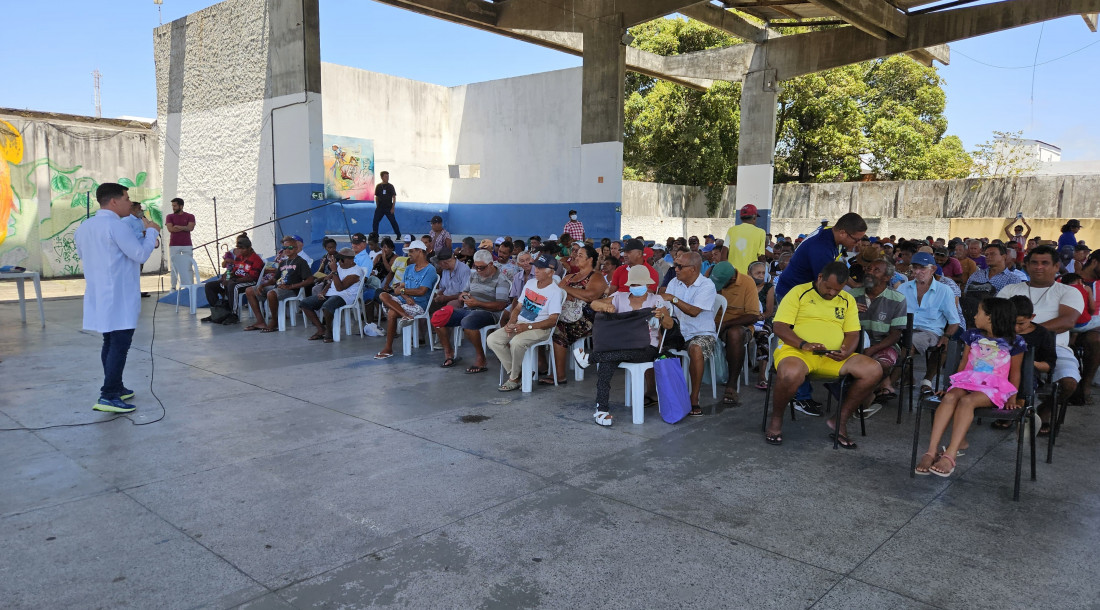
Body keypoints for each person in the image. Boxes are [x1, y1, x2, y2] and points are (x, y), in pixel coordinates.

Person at [764, 261, 882, 448]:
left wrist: (846, 351)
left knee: (873, 370)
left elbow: (852, 334)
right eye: (829, 288)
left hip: (832, 356)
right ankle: (776, 419)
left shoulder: (847, 300)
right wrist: (804, 344)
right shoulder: (798, 293)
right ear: (820, 277)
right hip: (797, 352)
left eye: (838, 289)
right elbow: (779, 326)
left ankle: (840, 420)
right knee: (790, 373)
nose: (832, 293)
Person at [914, 298, 1025, 477]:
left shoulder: (1015, 341)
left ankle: (950, 454)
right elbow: (964, 362)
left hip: (994, 388)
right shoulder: (972, 335)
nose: (974, 316)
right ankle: (931, 451)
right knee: (950, 398)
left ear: (990, 317)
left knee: (967, 401)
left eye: (979, 312)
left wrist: (1012, 397)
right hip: (968, 380)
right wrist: (951, 386)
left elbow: (1016, 372)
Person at [73, 183, 160, 413]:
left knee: (110, 342)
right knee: (120, 344)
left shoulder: (85, 227)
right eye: (126, 198)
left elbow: (91, 255)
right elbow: (140, 254)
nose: (130, 203)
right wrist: (152, 232)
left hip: (100, 294)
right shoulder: (116, 226)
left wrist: (145, 238)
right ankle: (108, 394)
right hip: (119, 295)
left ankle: (116, 386)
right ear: (114, 201)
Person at [775, 212, 868, 416]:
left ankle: (827, 378)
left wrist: (852, 291)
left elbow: (836, 277)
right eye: (856, 239)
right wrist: (848, 300)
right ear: (843, 232)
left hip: (809, 290)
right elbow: (830, 285)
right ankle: (801, 396)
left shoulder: (830, 235)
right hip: (794, 292)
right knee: (801, 341)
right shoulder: (821, 249)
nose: (859, 243)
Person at [997, 245, 1084, 433]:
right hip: (1010, 346)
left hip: (1055, 347)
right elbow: (996, 319)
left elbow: (1067, 321)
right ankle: (1010, 409)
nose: (1039, 267)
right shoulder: (1010, 290)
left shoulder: (1068, 291)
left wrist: (1029, 333)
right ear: (1026, 265)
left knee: (1069, 382)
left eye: (1045, 263)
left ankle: (1045, 410)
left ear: (1056, 266)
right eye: (1034, 263)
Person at [587, 266, 674, 426]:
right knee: (606, 364)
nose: (636, 287)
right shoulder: (619, 297)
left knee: (608, 358)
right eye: (633, 285)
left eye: (639, 284)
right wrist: (605, 307)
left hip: (647, 347)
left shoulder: (656, 301)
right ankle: (601, 410)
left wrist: (662, 316)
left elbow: (669, 325)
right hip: (620, 345)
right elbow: (594, 303)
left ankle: (591, 358)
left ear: (647, 285)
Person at [488, 255, 564, 391]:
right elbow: (518, 307)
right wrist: (511, 322)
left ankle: (514, 378)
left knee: (516, 342)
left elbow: (552, 321)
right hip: (520, 323)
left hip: (540, 328)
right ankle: (521, 374)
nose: (536, 270)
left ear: (551, 272)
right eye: (536, 267)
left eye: (541, 268)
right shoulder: (530, 283)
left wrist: (527, 326)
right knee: (493, 339)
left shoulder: (555, 291)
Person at [848, 258, 907, 417]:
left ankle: (865, 396)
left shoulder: (897, 299)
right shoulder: (851, 296)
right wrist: (850, 311)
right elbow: (837, 324)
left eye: (876, 270)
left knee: (881, 365)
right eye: (868, 269)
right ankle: (865, 397)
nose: (869, 273)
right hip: (854, 342)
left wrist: (873, 349)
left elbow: (896, 333)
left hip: (883, 344)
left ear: (887, 278)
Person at [435, 249, 510, 372]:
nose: (478, 270)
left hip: (489, 313)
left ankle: (481, 358)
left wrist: (478, 303)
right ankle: (449, 353)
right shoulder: (473, 274)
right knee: (439, 317)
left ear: (491, 264)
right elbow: (464, 292)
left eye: (482, 267)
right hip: (469, 308)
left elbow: (500, 305)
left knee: (468, 322)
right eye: (476, 266)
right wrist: (465, 298)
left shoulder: (501, 280)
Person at [663, 251, 718, 416]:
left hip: (701, 332)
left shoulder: (707, 285)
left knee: (696, 348)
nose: (676, 269)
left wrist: (673, 298)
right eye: (675, 266)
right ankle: (655, 393)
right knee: (653, 345)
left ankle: (694, 397)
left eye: (680, 266)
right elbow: (666, 307)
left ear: (693, 269)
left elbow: (694, 311)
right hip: (678, 331)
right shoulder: (674, 282)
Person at [899, 252, 961, 396]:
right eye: (915, 268)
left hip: (930, 332)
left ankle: (924, 380)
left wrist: (946, 336)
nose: (918, 272)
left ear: (933, 269)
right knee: (892, 340)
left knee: (910, 343)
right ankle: (903, 377)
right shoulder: (903, 288)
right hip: (904, 328)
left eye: (923, 268)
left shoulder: (944, 290)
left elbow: (954, 321)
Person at [544, 244, 607, 385]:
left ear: (590, 259)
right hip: (566, 314)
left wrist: (567, 290)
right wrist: (569, 294)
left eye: (580, 255)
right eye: (576, 254)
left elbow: (590, 296)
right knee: (542, 325)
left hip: (589, 318)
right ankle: (542, 366)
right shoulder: (570, 276)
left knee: (558, 331)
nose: (575, 257)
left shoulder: (596, 277)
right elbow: (556, 293)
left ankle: (559, 375)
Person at [708, 261, 762, 407]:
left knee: (735, 334)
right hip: (712, 323)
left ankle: (731, 385)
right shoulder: (711, 276)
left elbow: (753, 315)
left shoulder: (747, 283)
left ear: (731, 279)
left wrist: (724, 324)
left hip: (738, 324)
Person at [375, 241, 438, 358]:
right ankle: (405, 315)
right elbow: (400, 288)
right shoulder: (409, 268)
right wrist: (406, 296)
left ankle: (388, 348)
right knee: (383, 295)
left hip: (419, 304)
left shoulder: (430, 270)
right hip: (405, 301)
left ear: (420, 251)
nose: (409, 254)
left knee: (392, 312)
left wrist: (403, 292)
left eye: (411, 251)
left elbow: (421, 291)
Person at [243, 235, 313, 332]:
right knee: (250, 290)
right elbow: (274, 279)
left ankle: (274, 322)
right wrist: (262, 285)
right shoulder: (283, 262)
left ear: (296, 248)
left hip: (292, 290)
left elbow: (310, 280)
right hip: (278, 287)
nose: (287, 250)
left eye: (290, 247)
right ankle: (260, 321)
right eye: (285, 247)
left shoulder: (301, 262)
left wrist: (292, 286)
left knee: (271, 293)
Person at [300, 247, 362, 343]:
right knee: (305, 303)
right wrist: (323, 291)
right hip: (330, 294)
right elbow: (330, 281)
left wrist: (334, 271)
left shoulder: (356, 272)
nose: (339, 262)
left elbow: (339, 288)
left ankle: (329, 331)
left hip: (345, 296)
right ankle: (321, 329)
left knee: (327, 306)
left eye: (341, 259)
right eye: (338, 259)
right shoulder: (339, 266)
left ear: (351, 260)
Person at [204, 233, 263, 319]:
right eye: (239, 248)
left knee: (233, 286)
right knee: (210, 286)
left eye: (242, 249)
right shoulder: (239, 257)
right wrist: (226, 278)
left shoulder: (256, 259)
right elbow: (231, 271)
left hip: (249, 282)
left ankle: (233, 314)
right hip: (235, 280)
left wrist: (233, 281)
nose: (240, 250)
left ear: (249, 248)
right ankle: (218, 311)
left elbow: (252, 277)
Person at [748, 261, 775, 390]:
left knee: (763, 336)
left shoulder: (768, 287)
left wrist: (760, 316)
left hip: (764, 320)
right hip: (747, 319)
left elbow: (769, 311)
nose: (761, 276)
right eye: (757, 273)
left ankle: (762, 375)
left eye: (763, 273)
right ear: (749, 274)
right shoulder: (746, 286)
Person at [725, 204, 767, 275]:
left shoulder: (731, 230)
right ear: (754, 217)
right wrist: (762, 271)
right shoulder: (761, 232)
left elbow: (724, 252)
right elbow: (761, 256)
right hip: (750, 275)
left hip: (733, 275)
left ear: (741, 218)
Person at [165, 197, 196, 291]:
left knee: (188, 265)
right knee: (174, 266)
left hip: (187, 244)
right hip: (174, 244)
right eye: (172, 206)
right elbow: (170, 229)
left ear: (181, 206)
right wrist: (184, 227)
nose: (173, 208)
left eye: (175, 206)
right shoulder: (169, 216)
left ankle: (189, 286)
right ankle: (173, 287)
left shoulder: (190, 216)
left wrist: (178, 227)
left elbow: (190, 228)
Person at [431, 248, 470, 313]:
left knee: (449, 307)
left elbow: (464, 294)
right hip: (445, 298)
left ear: (446, 262)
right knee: (429, 304)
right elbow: (443, 288)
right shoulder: (445, 269)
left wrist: (446, 298)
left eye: (439, 264)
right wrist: (438, 295)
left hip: (459, 300)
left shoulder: (464, 270)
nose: (439, 266)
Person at [372, 170, 399, 236]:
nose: (387, 178)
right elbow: (377, 196)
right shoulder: (378, 186)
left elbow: (394, 197)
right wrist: (377, 206)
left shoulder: (390, 186)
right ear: (382, 177)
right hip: (380, 208)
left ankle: (398, 234)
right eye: (385, 176)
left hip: (388, 207)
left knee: (393, 221)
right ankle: (375, 235)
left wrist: (393, 208)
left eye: (388, 176)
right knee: (375, 221)